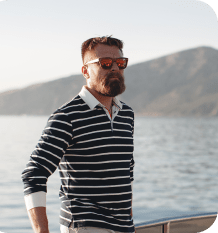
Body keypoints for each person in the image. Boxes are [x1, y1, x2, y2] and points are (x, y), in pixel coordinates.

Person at [21, 36, 135, 233]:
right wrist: (42, 231)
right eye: (106, 63)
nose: (115, 68)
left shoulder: (126, 114)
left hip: (124, 226)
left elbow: (126, 168)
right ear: (85, 71)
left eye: (120, 63)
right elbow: (34, 173)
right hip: (85, 226)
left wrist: (128, 214)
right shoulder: (67, 116)